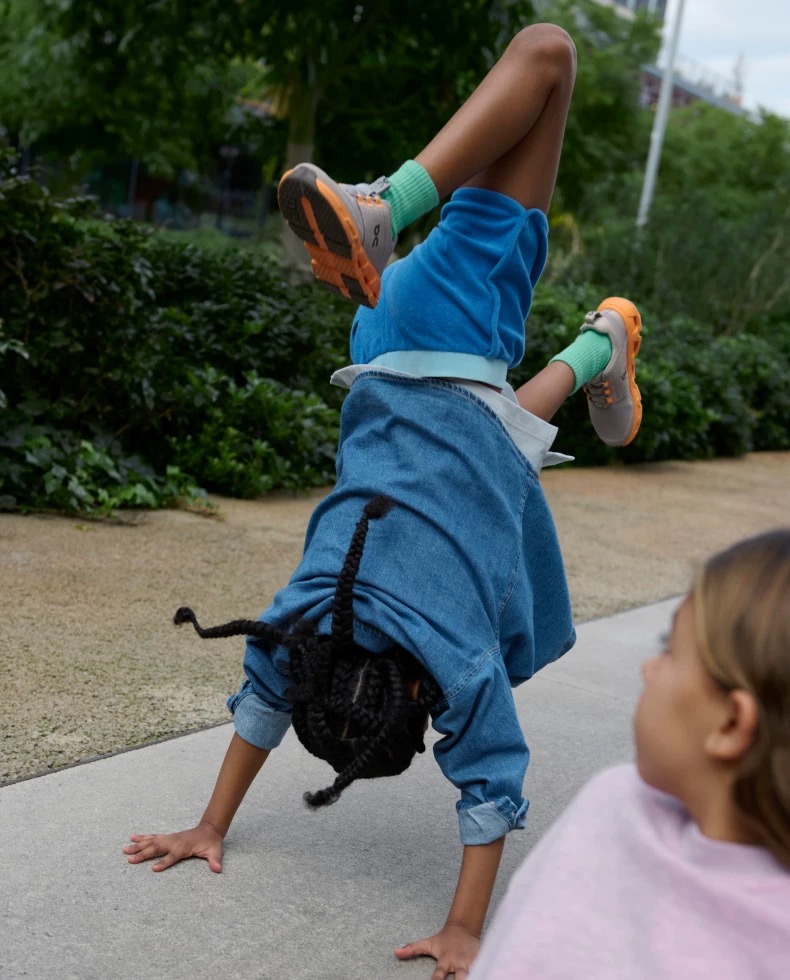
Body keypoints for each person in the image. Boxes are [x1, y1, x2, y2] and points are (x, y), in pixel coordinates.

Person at [123, 24, 643, 979]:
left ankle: (427, 236)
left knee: (549, 59)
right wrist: (206, 822)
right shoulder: (305, 621)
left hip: (447, 363)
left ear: (421, 700)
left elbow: (491, 783)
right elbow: (261, 702)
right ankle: (603, 339)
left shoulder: (455, 666)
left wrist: (467, 928)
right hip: (392, 348)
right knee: (547, 53)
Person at [468, 529, 790, 980]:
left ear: (732, 724)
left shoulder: (616, 809)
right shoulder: (613, 803)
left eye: (669, 650)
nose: (648, 667)